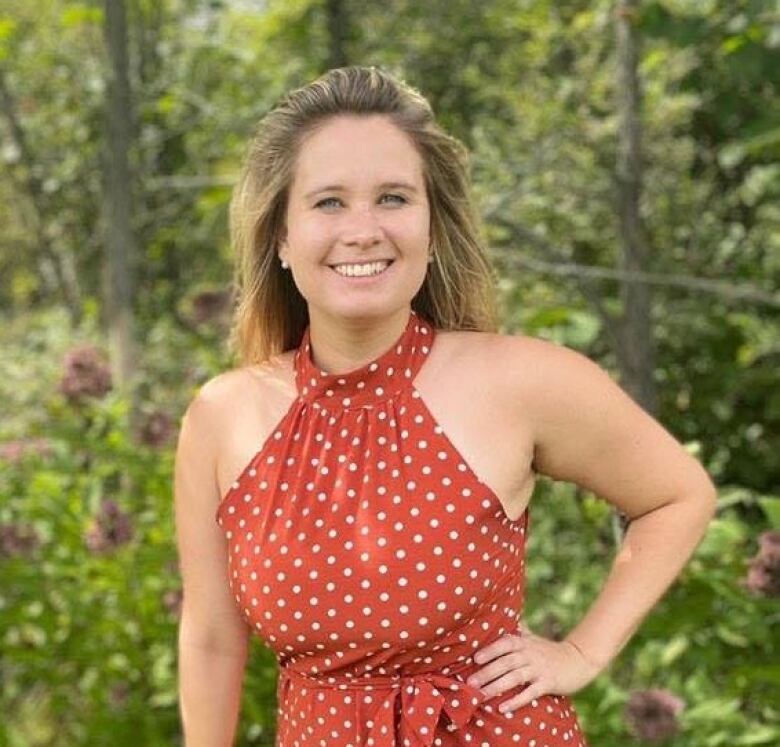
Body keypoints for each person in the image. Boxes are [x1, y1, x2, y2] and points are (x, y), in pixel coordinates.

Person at [174, 65, 717, 747]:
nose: (364, 229)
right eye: (330, 202)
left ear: (432, 230)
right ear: (281, 238)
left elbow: (677, 494)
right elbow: (212, 638)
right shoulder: (224, 415)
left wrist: (582, 651)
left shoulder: (518, 380)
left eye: (394, 198)